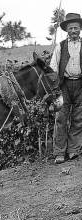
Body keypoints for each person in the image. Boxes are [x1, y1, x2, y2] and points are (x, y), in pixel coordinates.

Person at [50, 13, 82, 164]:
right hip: (63, 86)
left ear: (80, 29)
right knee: (61, 118)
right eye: (71, 28)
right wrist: (54, 88)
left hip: (81, 85)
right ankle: (59, 152)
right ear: (67, 30)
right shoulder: (60, 46)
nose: (74, 30)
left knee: (78, 118)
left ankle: (74, 150)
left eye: (76, 27)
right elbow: (53, 68)